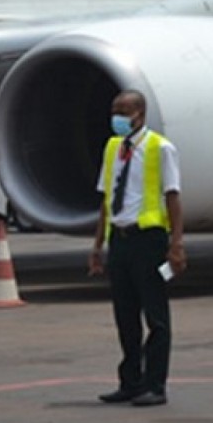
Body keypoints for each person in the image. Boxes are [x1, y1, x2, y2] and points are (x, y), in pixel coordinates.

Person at [89, 89, 184, 407]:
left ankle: (156, 384)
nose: (117, 116)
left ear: (139, 114)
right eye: (114, 109)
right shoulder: (112, 147)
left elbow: (172, 197)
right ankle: (130, 381)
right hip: (121, 239)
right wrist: (98, 243)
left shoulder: (161, 148)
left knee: (155, 317)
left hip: (149, 240)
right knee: (125, 315)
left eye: (123, 110)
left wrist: (177, 244)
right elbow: (105, 198)